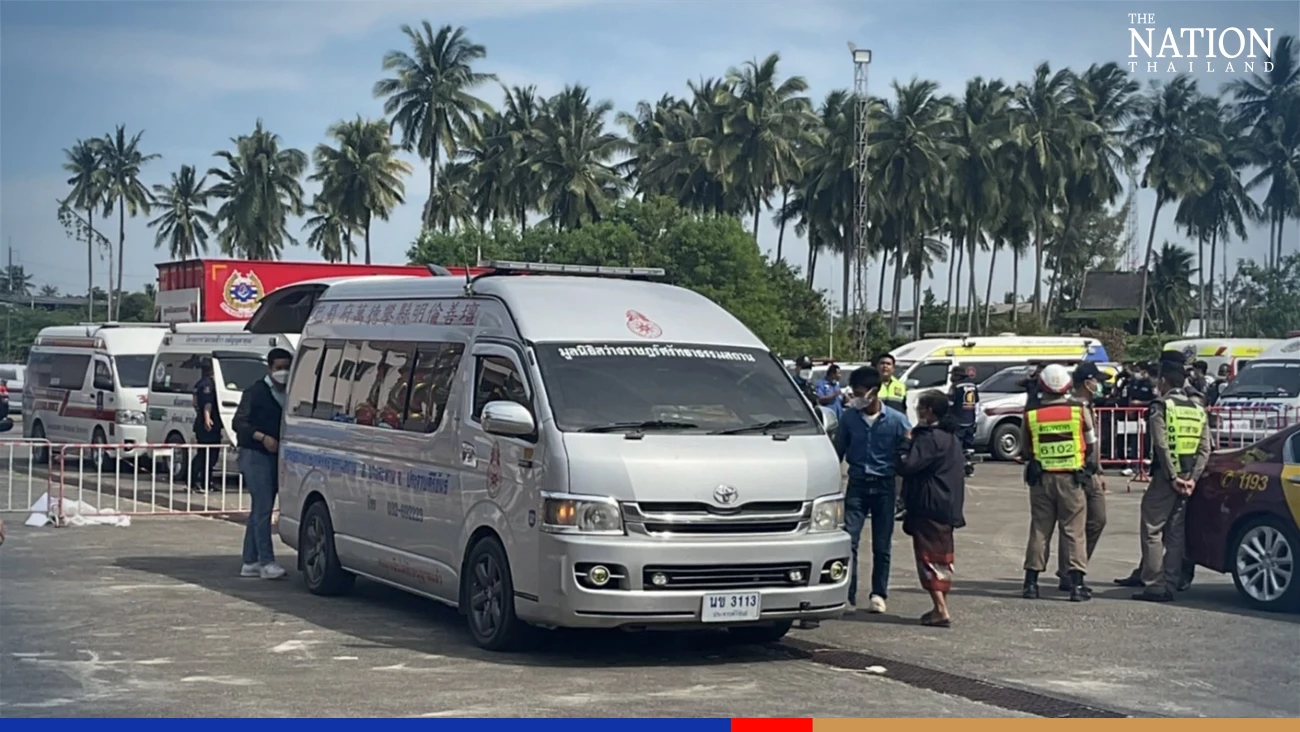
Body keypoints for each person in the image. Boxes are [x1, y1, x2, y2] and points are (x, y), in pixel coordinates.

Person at [1125, 355, 1211, 603]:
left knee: (1152, 529)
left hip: (1167, 477)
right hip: (1187, 477)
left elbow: (1161, 445)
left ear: (1162, 381)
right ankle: (1171, 582)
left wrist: (1172, 476)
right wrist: (1191, 478)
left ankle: (1154, 584)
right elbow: (1205, 448)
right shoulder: (1197, 409)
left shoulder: (1161, 406)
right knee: (1175, 532)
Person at [834, 365, 912, 614]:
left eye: (859, 393)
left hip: (885, 487)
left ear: (873, 392)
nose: (855, 398)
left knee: (882, 544)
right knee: (850, 541)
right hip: (857, 485)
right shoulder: (848, 419)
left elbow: (910, 456)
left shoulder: (897, 421)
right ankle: (848, 595)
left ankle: (878, 593)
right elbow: (837, 452)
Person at [1020, 363, 1095, 602]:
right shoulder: (1078, 410)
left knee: (1040, 530)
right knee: (1073, 532)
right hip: (1071, 479)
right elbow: (1091, 443)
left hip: (1042, 479)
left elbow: (1026, 449)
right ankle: (1077, 586)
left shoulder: (1031, 414)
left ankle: (1031, 584)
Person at [898, 391, 966, 627]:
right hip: (948, 505)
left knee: (928, 558)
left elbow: (907, 464)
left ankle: (940, 608)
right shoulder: (951, 437)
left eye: (920, 407)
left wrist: (905, 442)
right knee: (942, 559)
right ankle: (939, 606)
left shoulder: (929, 438)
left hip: (929, 505)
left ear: (928, 410)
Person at [232, 347, 293, 580]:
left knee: (259, 510)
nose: (283, 373)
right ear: (270, 368)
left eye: (287, 367)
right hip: (255, 454)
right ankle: (266, 561)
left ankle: (250, 561)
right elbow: (240, 422)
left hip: (277, 456)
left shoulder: (290, 393)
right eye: (279, 368)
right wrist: (262, 437)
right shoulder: (256, 392)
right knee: (264, 507)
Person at [1053, 362, 1110, 593]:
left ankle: (1075, 566)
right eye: (1097, 381)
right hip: (1075, 472)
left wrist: (1100, 470)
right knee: (1072, 526)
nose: (1100, 385)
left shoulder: (1089, 405)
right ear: (1087, 383)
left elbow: (1093, 442)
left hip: (1092, 473)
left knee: (1098, 520)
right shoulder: (1071, 407)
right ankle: (1070, 573)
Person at [189, 358, 223, 494]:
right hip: (208, 425)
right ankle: (203, 483)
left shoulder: (199, 383)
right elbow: (207, 404)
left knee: (203, 454)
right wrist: (207, 419)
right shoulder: (209, 384)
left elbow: (195, 403)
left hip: (200, 424)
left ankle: (199, 482)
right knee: (209, 455)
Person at [947, 365, 978, 477]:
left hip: (958, 420)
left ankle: (956, 468)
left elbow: (950, 404)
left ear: (957, 376)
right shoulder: (973, 386)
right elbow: (977, 403)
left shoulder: (955, 387)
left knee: (956, 445)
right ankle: (969, 468)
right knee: (969, 446)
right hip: (970, 419)